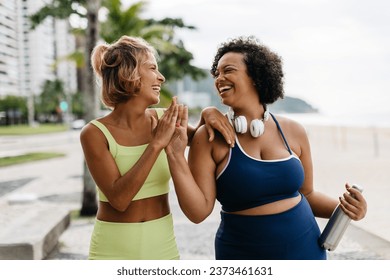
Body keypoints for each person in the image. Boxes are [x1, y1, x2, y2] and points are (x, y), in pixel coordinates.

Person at [165, 36, 367, 260]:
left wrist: (347, 210)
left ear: (255, 76)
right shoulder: (210, 137)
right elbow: (198, 212)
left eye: (228, 70)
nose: (219, 78)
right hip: (243, 255)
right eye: (217, 73)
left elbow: (307, 194)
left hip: (306, 251)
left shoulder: (294, 131)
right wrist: (175, 155)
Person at [80, 35, 234, 260]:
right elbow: (119, 200)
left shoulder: (164, 119)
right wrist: (156, 145)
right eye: (152, 68)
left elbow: (203, 139)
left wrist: (208, 113)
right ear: (129, 73)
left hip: (162, 244)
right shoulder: (94, 133)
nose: (160, 77)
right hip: (112, 248)